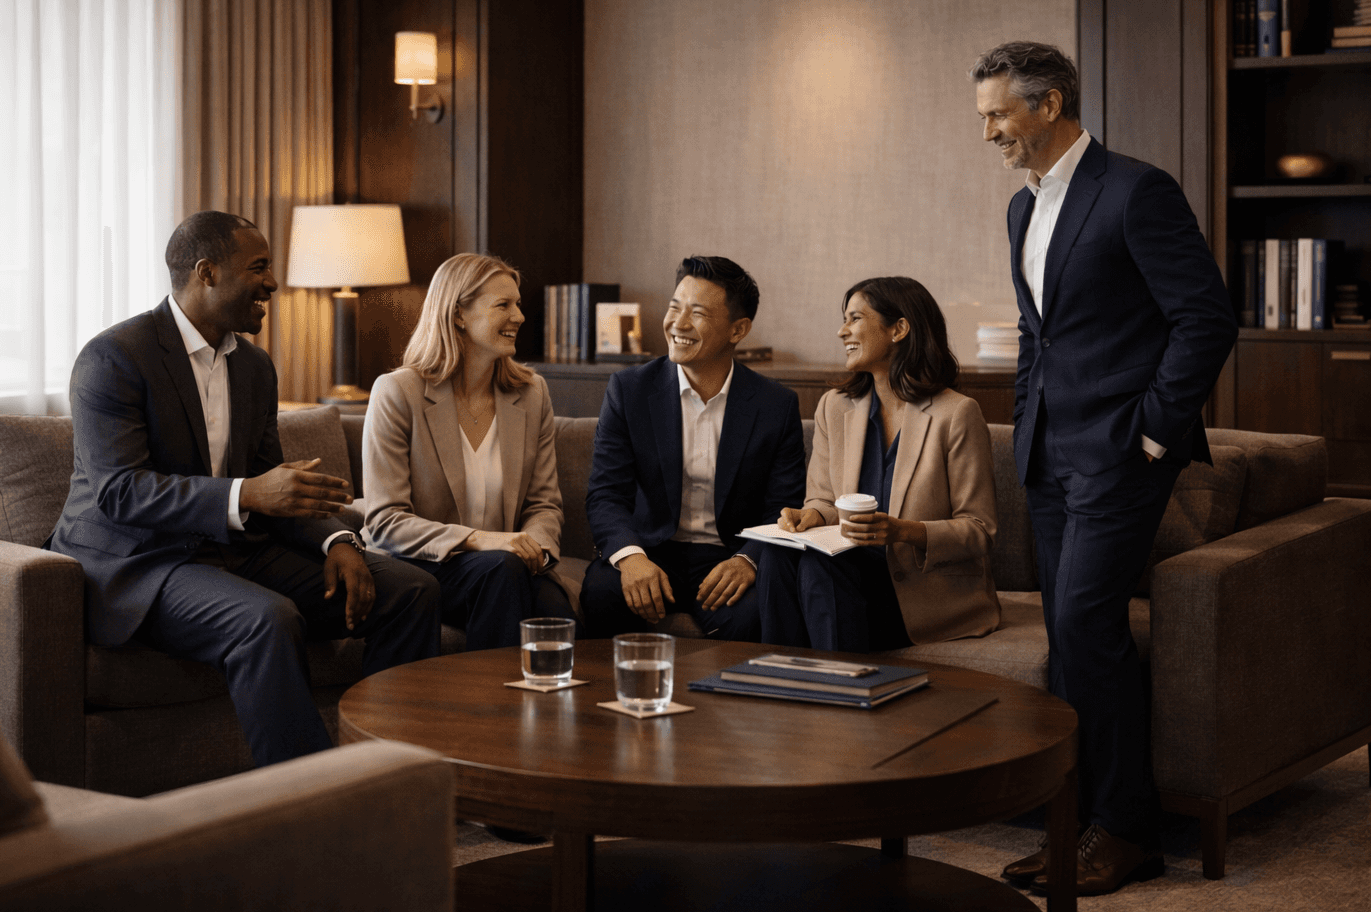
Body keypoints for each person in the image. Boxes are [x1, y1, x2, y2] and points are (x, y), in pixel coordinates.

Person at [971, 42, 1237, 895]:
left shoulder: (1136, 190)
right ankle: (1078, 823)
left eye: (998, 114)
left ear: (1049, 104)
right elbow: (1037, 336)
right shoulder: (1021, 208)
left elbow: (1206, 319)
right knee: (1070, 634)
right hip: (1049, 452)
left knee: (1087, 624)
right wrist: (1025, 428)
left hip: (1122, 452)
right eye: (984, 116)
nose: (988, 132)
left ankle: (1127, 832)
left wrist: (1153, 433)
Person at [49, 210, 441, 768]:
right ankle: (317, 799)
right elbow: (120, 492)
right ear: (207, 272)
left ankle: (394, 771)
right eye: (258, 267)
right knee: (266, 619)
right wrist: (248, 496)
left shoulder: (254, 367)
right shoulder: (114, 357)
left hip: (234, 551)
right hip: (141, 560)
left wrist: (338, 542)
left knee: (409, 588)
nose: (273, 282)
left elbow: (278, 487)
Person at [757, 277, 999, 653]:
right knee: (777, 554)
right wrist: (811, 516)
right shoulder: (834, 406)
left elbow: (980, 531)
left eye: (855, 318)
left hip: (920, 594)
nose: (842, 331)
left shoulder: (957, 414)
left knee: (822, 567)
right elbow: (823, 500)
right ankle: (780, 675)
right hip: (851, 578)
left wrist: (903, 531)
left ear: (898, 329)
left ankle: (840, 683)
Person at [582, 255, 805, 640]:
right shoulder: (629, 390)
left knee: (757, 613)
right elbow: (606, 494)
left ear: (738, 329)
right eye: (674, 308)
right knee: (602, 594)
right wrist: (630, 557)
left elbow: (783, 505)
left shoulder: (775, 405)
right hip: (649, 547)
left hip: (727, 554)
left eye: (697, 313)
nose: (678, 324)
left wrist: (748, 559)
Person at [361, 253, 573, 651]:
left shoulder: (532, 393)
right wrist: (481, 540)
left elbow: (543, 504)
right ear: (458, 314)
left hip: (506, 566)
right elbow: (386, 522)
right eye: (503, 305)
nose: (519, 316)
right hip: (419, 566)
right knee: (502, 571)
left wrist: (536, 549)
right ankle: (489, 694)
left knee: (555, 610)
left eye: (518, 304)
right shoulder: (398, 392)